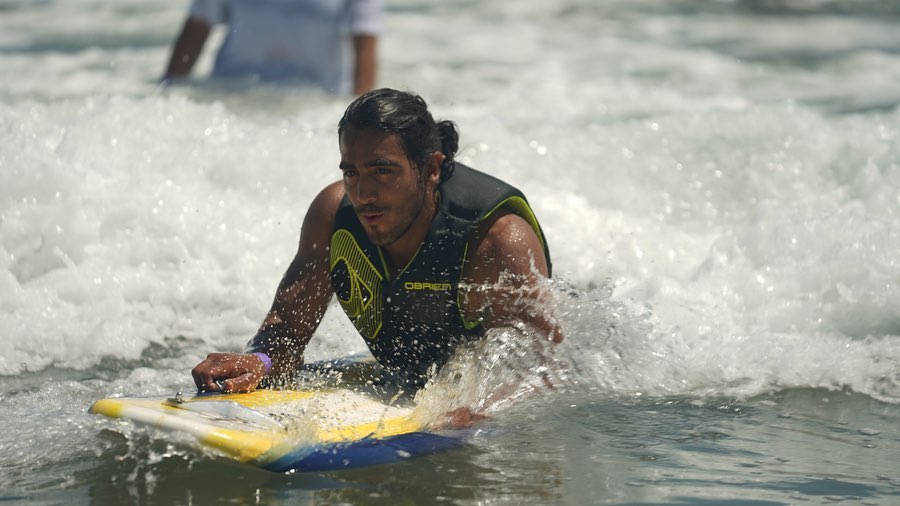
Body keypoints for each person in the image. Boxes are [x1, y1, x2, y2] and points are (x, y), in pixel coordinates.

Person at [191, 88, 562, 402]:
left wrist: (475, 412)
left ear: (432, 168)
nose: (363, 194)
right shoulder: (334, 218)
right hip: (405, 382)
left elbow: (540, 374)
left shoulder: (495, 242)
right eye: (352, 172)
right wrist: (261, 362)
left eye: (383, 171)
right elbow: (287, 332)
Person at [162, 0, 382, 94]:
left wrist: (361, 119)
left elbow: (365, 44)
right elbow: (195, 30)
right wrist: (167, 89)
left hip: (315, 102)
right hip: (231, 92)